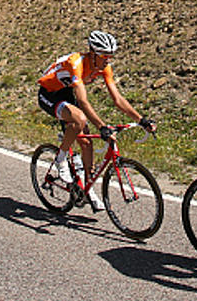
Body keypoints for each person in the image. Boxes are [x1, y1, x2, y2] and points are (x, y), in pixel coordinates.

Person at [36, 30, 156, 212]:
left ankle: (87, 189)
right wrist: (102, 127)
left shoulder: (104, 67)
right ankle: (60, 159)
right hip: (49, 94)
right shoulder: (75, 63)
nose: (108, 60)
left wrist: (141, 120)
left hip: (67, 95)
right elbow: (83, 101)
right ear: (93, 53)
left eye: (111, 56)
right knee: (80, 118)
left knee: (86, 143)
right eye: (104, 56)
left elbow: (117, 99)